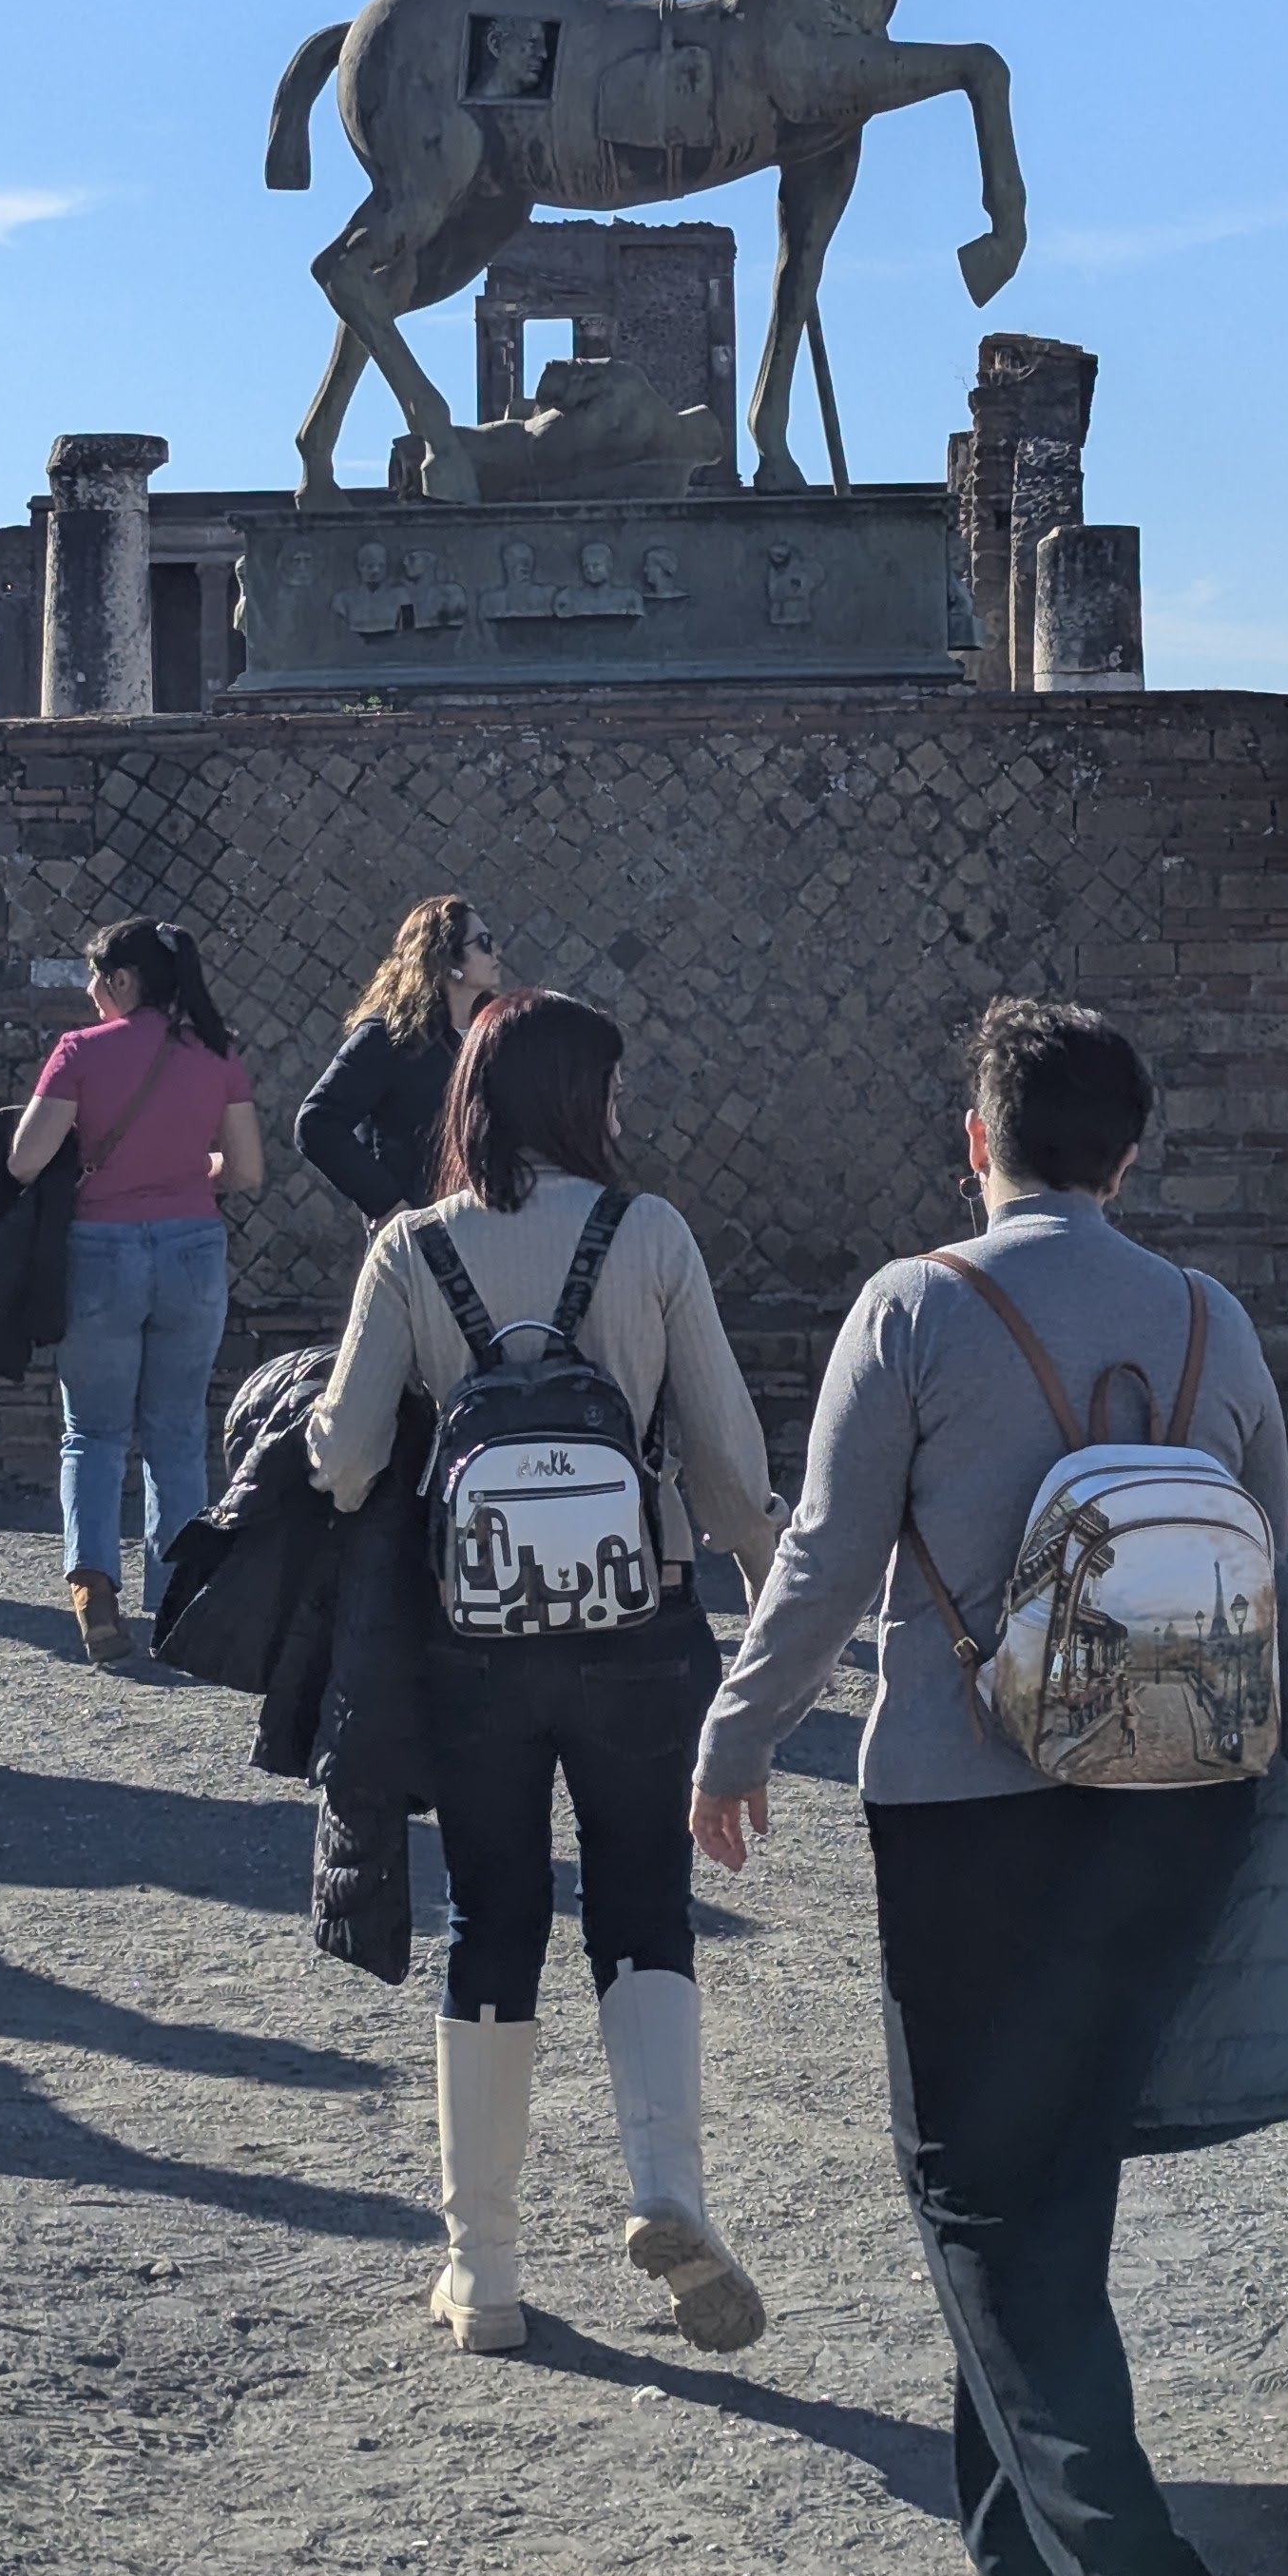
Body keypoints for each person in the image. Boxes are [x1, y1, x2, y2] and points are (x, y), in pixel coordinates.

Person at [691, 999, 1288, 2576]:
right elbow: (1263, 1553)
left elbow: (821, 1561)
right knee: (1057, 2167)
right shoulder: (1206, 1317)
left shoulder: (913, 1310)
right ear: (1129, 1149)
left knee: (963, 2181)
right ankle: (1014, 2546)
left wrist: (735, 1736)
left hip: (964, 1796)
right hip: (1172, 1793)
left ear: (977, 1142)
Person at [308, 987, 784, 2364]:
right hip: (639, 1633)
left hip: (475, 1642)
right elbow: (733, 1470)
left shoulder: (410, 1246)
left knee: (494, 1919)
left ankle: (486, 2270)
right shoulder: (650, 1237)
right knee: (645, 1905)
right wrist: (770, 1610)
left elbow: (342, 1461)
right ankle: (665, 2191)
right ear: (582, 1102)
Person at [8, 918, 264, 1670]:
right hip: (192, 1246)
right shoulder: (217, 1053)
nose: (90, 993)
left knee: (92, 1431)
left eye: (96, 978)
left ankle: (94, 1591)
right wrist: (192, 1167)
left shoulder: (81, 1053)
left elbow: (25, 1160)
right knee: (179, 1431)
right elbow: (247, 1171)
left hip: (101, 1250)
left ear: (122, 982)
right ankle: (179, 1597)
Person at [294, 897, 505, 1222]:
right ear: (447, 957)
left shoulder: (496, 1034)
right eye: (484, 943)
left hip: (489, 1228)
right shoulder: (390, 1038)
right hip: (423, 1236)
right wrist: (393, 1207)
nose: (496, 953)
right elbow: (317, 1123)